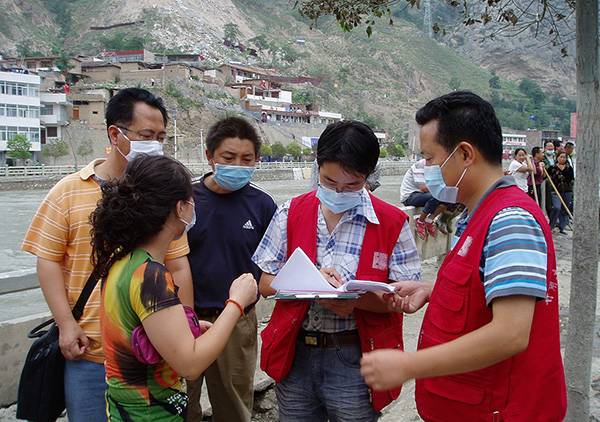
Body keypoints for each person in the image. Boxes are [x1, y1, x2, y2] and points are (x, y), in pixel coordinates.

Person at [360, 92, 567, 422]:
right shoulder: (476, 213)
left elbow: (511, 333)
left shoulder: (509, 220)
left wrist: (409, 365)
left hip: (498, 411)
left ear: (465, 154)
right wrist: (434, 290)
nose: (427, 169)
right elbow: (488, 288)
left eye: (430, 158)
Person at [21, 88, 194, 422]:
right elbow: (48, 260)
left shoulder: (162, 196)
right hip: (89, 352)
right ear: (115, 134)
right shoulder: (67, 192)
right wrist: (66, 326)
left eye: (160, 137)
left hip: (149, 355)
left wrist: (184, 327)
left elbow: (178, 265)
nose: (155, 145)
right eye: (146, 135)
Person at [252, 120, 422, 421]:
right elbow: (266, 283)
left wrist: (354, 301)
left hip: (355, 360)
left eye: (351, 185)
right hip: (294, 353)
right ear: (318, 168)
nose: (338, 192)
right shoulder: (291, 212)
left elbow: (403, 298)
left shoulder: (392, 223)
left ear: (368, 176)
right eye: (329, 182)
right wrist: (312, 285)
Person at [90, 154, 258, 421]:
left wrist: (186, 328)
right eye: (191, 200)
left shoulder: (122, 259)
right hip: (153, 414)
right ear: (180, 208)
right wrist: (236, 303)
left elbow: (140, 331)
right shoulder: (151, 276)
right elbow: (190, 364)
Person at [185, 117, 277, 422]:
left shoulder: (263, 205)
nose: (237, 165)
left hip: (237, 322)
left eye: (246, 159)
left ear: (256, 160)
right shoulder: (185, 200)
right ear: (209, 157)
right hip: (184, 318)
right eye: (228, 157)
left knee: (234, 406)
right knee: (181, 404)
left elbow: (276, 263)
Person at [400, 158, 449, 238]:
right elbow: (423, 188)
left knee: (449, 198)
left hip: (423, 195)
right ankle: (420, 221)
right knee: (436, 195)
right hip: (410, 196)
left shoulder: (437, 167)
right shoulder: (421, 165)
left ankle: (429, 220)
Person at [310, 158, 382, 192]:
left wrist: (367, 186)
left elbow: (377, 166)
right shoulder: (321, 160)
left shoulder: (362, 158)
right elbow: (314, 186)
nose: (339, 191)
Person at [547, 151, 574, 234]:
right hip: (556, 191)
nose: (562, 159)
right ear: (557, 158)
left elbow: (571, 178)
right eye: (561, 157)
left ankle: (562, 227)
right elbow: (545, 176)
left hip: (567, 191)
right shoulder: (552, 168)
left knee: (565, 209)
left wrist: (564, 170)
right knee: (556, 207)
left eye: (564, 157)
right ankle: (551, 225)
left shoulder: (569, 168)